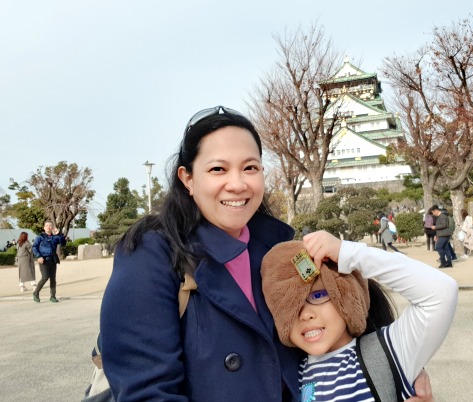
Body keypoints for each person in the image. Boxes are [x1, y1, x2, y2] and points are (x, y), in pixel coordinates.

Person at [98, 106, 436, 401]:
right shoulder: (152, 253)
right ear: (187, 178)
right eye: (218, 169)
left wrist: (393, 370)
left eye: (250, 168)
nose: (237, 184)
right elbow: (147, 391)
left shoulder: (279, 250)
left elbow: (336, 322)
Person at [261, 230, 458, 401]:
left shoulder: (388, 352)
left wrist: (348, 254)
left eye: (319, 295)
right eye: (289, 306)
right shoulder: (293, 374)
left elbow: (442, 292)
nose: (305, 315)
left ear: (347, 296)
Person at [32, 221, 66, 303]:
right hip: (43, 260)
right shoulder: (40, 236)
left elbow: (63, 243)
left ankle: (52, 296)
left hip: (53, 260)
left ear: (52, 228)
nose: (48, 227)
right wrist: (38, 256)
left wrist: (59, 234)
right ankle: (36, 293)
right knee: (45, 277)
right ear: (44, 228)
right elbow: (34, 247)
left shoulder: (55, 237)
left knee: (53, 279)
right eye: (46, 225)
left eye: (50, 226)